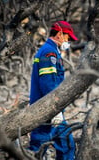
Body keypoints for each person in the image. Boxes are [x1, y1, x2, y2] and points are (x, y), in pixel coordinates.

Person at [28, 21, 78, 160]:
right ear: (60, 34)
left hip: (48, 108)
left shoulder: (51, 50)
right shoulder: (49, 52)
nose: (68, 41)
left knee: (64, 145)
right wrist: (55, 110)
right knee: (41, 147)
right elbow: (48, 83)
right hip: (47, 109)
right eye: (68, 37)